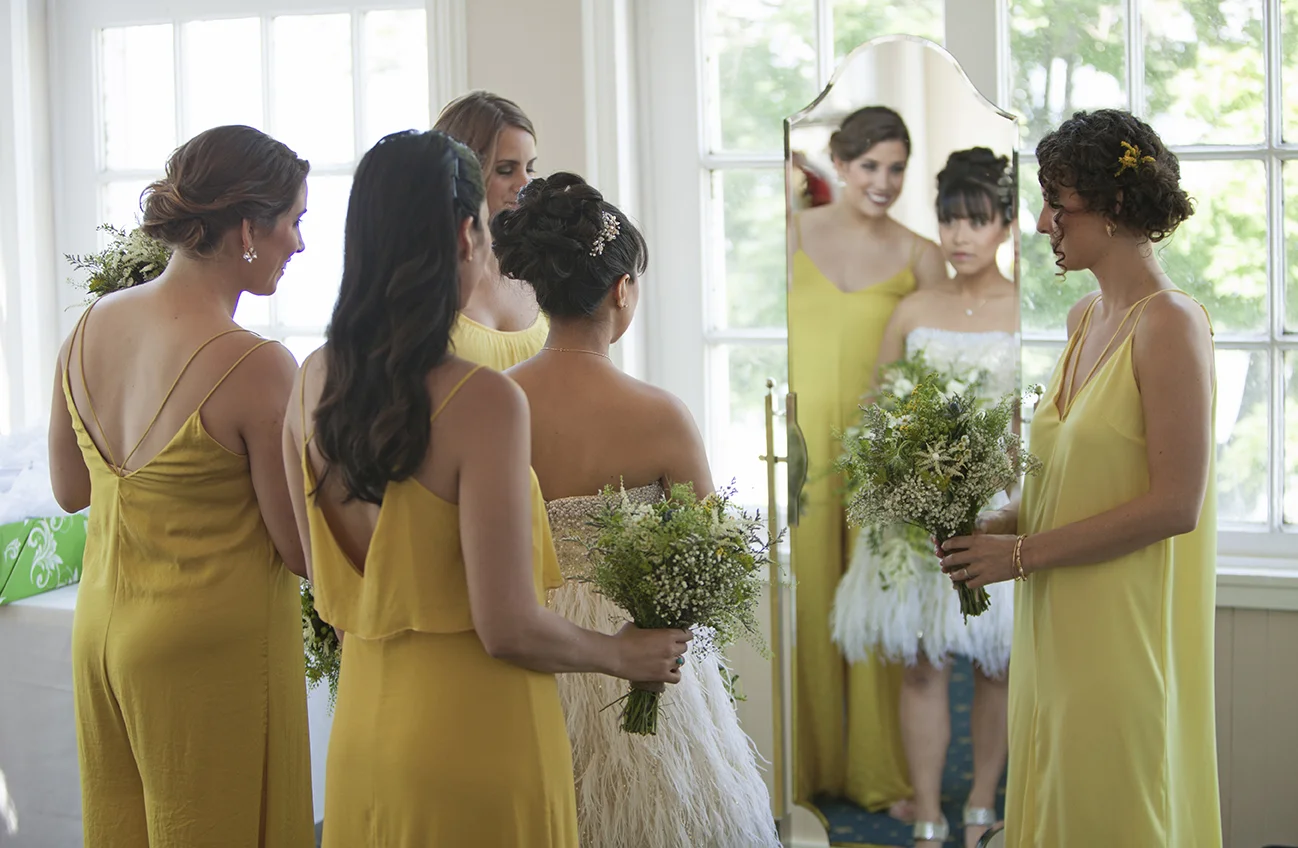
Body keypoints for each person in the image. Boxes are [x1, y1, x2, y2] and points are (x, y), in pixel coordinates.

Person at [282, 132, 690, 847]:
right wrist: (621, 654)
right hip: (478, 736)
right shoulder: (482, 400)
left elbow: (314, 570)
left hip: (365, 732)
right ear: (466, 235)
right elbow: (507, 627)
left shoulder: (311, 379)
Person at [939, 109, 1221, 847]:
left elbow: (1176, 504)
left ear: (1116, 206)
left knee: (1113, 806)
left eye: (1057, 205)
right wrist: (1002, 524)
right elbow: (1078, 475)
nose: (1041, 224)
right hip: (1054, 621)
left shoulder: (1170, 324)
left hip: (1121, 626)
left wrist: (1020, 555)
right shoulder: (1083, 317)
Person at [47, 125, 314, 848]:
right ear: (248, 228)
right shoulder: (256, 364)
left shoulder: (88, 327)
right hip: (207, 657)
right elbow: (298, 550)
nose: (299, 244)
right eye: (295, 221)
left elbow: (71, 490)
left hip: (102, 637)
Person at [498, 172, 780, 848]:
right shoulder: (658, 416)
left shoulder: (496, 403)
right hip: (636, 640)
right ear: (622, 290)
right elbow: (714, 549)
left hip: (531, 635)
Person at [832, 147, 1019, 847]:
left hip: (999, 506)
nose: (959, 236)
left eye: (976, 220)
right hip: (915, 513)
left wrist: (996, 482)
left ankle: (981, 805)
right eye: (949, 221)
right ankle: (929, 810)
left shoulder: (1026, 310)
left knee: (996, 663)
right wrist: (903, 471)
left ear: (1005, 226)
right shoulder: (914, 309)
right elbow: (876, 408)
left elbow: (1035, 418)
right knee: (922, 662)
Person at [786, 104, 947, 811]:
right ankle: (810, 768)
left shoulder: (922, 255)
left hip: (883, 451)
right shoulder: (791, 233)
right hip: (800, 449)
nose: (884, 181)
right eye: (870, 166)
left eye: (897, 168)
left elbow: (938, 367)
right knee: (810, 599)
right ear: (840, 164)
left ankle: (878, 771)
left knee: (878, 603)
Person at [434, 90, 548, 369]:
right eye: (506, 170)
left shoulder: (542, 265)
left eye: (530, 168)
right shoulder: (424, 277)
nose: (525, 184)